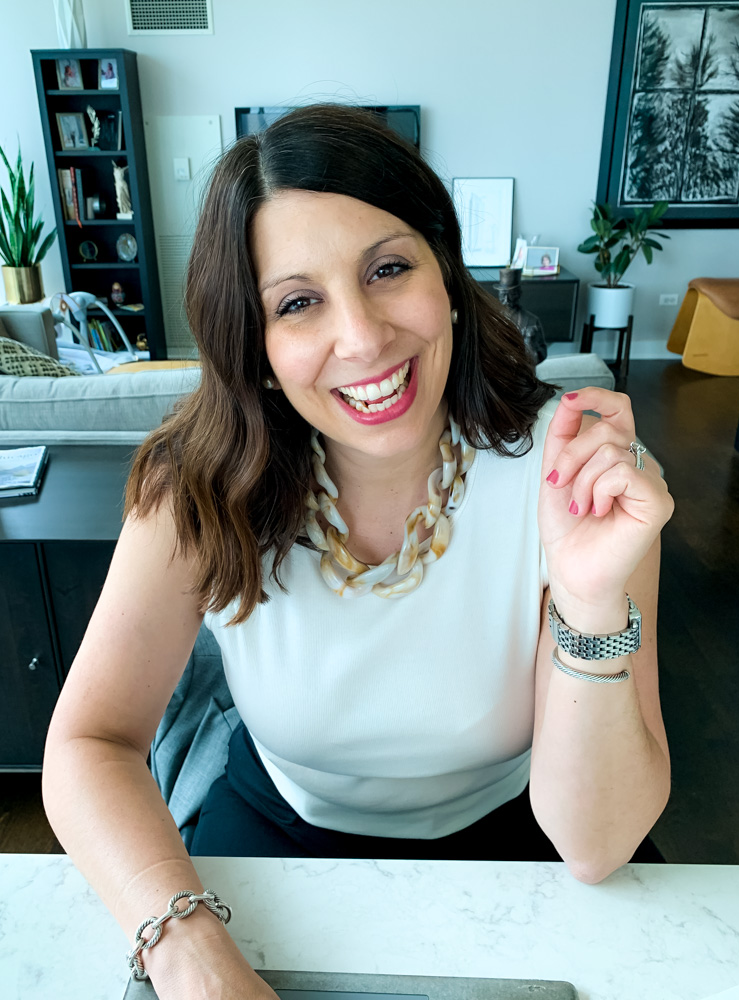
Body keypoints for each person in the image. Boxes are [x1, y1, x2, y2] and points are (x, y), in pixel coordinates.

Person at [42, 104, 674, 996]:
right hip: (278, 830)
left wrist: (590, 598)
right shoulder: (192, 489)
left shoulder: (575, 470)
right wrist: (189, 954)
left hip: (524, 833)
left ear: (447, 277)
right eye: (297, 303)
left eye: (388, 269)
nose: (365, 337)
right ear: (254, 347)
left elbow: (598, 842)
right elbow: (88, 742)